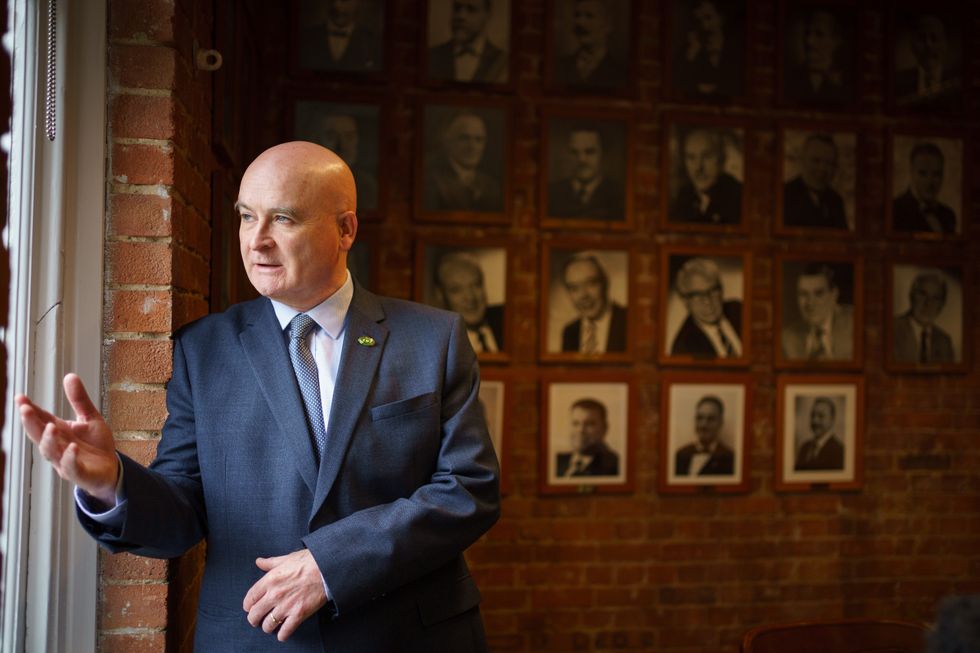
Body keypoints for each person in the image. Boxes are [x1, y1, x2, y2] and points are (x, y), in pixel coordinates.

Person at [17, 142, 501, 651]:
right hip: (253, 639)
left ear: (346, 230)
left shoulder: (433, 339)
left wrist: (330, 566)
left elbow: (469, 489)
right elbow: (182, 514)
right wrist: (113, 484)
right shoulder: (201, 350)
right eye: (247, 217)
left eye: (283, 219)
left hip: (410, 637)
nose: (257, 241)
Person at [423, 111, 503, 212]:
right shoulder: (431, 181)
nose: (472, 147)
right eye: (464, 138)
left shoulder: (492, 187)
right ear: (448, 141)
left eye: (479, 140)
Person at [669, 257, 743, 359]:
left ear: (721, 289)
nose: (708, 301)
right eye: (698, 295)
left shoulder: (740, 310)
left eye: (712, 290)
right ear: (685, 301)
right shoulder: (683, 347)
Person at [433, 252, 505, 354]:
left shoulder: (507, 319)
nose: (470, 297)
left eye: (476, 285)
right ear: (440, 295)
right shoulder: (437, 345)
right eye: (456, 290)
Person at [548, 127, 624, 220]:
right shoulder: (552, 194)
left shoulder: (618, 195)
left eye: (590, 152)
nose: (581, 160)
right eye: (574, 152)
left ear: (602, 154)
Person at [306, 112, 379, 210]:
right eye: (331, 136)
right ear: (317, 140)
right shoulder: (306, 184)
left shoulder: (366, 184)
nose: (342, 145)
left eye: (349, 137)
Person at [781, 263, 853, 361]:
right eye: (803, 294)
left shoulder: (854, 325)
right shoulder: (787, 339)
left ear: (834, 294)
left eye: (819, 294)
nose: (810, 303)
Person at [670, 127, 742, 225]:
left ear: (722, 159)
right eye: (691, 158)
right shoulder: (683, 199)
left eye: (707, 156)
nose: (698, 168)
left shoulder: (738, 197)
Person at [672, 0, 742, 98]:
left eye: (708, 18)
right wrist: (692, 53)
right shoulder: (690, 53)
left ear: (721, 19)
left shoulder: (735, 54)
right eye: (698, 20)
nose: (704, 25)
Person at [558, 254, 627, 354]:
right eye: (574, 288)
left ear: (605, 283)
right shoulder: (569, 332)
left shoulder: (629, 321)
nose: (583, 295)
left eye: (591, 283)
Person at [428, 0, 508, 83]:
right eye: (457, 8)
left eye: (471, 9)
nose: (461, 16)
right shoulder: (431, 56)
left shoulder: (502, 62)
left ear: (487, 15)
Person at [553, 0, 628, 88]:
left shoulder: (620, 73)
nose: (580, 22)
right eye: (577, 15)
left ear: (608, 25)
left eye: (589, 16)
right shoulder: (560, 67)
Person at [783, 8, 851, 104]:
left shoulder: (846, 82)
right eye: (807, 33)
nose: (809, 41)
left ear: (836, 41)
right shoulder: (790, 79)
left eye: (819, 34)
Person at [783, 133, 849, 230]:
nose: (822, 169)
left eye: (829, 163)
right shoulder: (785, 195)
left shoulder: (836, 201)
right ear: (802, 160)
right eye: (816, 161)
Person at [894, 14, 960, 109]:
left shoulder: (957, 82)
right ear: (912, 46)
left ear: (945, 45)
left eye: (934, 38)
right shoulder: (899, 82)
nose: (928, 45)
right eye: (922, 38)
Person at [298, 0, 383, 73]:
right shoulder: (307, 38)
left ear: (358, 3)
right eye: (332, 0)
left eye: (344, 0)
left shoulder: (372, 42)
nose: (336, 6)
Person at [892, 142, 958, 234]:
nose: (930, 182)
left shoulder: (948, 216)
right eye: (923, 174)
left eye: (936, 174)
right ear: (912, 173)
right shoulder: (895, 211)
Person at [893, 270, 955, 364]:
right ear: (911, 295)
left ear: (942, 305)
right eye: (922, 294)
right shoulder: (892, 329)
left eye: (935, 298)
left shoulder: (944, 342)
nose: (928, 303)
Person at [555, 398, 619, 477]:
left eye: (589, 424)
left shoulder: (615, 466)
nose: (580, 430)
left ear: (604, 428)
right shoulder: (556, 461)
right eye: (575, 423)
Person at [674, 395, 735, 476]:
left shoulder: (730, 458)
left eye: (710, 419)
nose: (703, 425)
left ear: (720, 423)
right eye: (700, 418)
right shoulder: (680, 455)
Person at [794, 397, 844, 471]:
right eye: (813, 415)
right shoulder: (804, 447)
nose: (815, 420)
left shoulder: (839, 451)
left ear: (832, 420)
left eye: (821, 416)